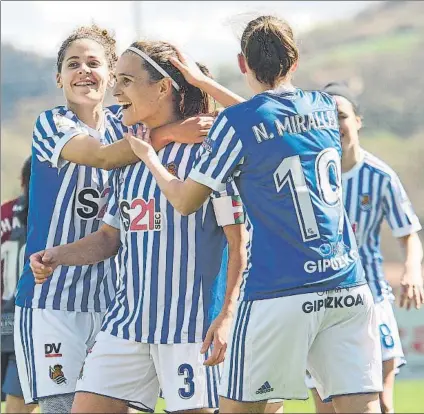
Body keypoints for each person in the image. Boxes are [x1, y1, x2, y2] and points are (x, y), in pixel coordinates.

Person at [125, 15, 384, 414]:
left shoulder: (237, 123)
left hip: (279, 292)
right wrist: (205, 84)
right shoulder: (325, 107)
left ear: (243, 64)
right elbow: (269, 117)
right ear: (294, 62)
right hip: (347, 287)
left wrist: (150, 159)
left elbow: (184, 200)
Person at [30, 40, 248, 414]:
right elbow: (109, 238)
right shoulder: (130, 158)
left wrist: (227, 315)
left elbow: (239, 240)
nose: (116, 91)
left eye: (126, 80)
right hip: (126, 325)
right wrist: (57, 256)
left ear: (162, 87)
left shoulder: (208, 151)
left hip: (190, 329)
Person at [305, 82, 423, 414]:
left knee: (381, 402)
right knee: (328, 407)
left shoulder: (379, 175)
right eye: (326, 117)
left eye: (341, 116)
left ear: (357, 120)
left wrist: (412, 271)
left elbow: (409, 232)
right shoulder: (307, 175)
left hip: (373, 298)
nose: (335, 124)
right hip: (322, 304)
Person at [1, 157, 37, 413]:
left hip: (5, 320)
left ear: (22, 181)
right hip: (34, 320)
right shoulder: (51, 216)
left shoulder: (3, 213)